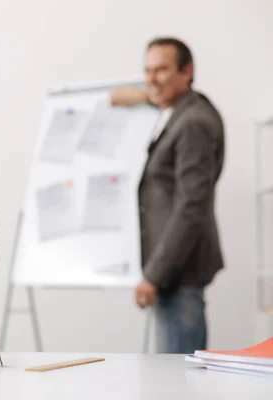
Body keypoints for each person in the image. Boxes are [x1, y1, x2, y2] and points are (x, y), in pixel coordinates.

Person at [110, 37, 225, 353]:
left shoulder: (193, 124)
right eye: (147, 70)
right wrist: (134, 95)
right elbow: (153, 95)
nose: (151, 79)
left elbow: (192, 207)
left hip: (178, 272)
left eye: (161, 70)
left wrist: (154, 276)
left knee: (177, 382)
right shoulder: (183, 107)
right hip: (175, 271)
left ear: (187, 71)